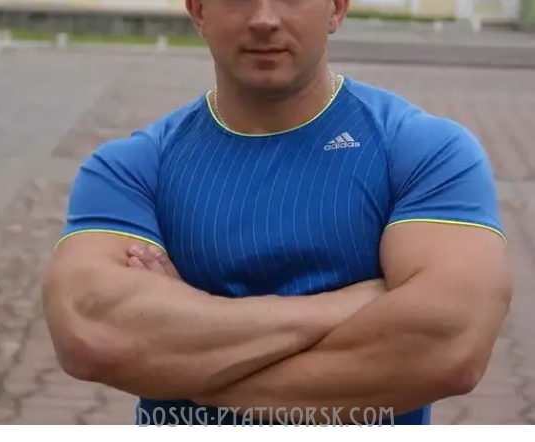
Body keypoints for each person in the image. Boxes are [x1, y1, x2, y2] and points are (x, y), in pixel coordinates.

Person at [41, 0, 513, 426]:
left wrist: (176, 363)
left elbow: (448, 348)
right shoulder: (132, 168)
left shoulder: (425, 152)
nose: (264, 19)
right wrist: (346, 306)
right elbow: (91, 332)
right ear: (198, 10)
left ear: (336, 8)